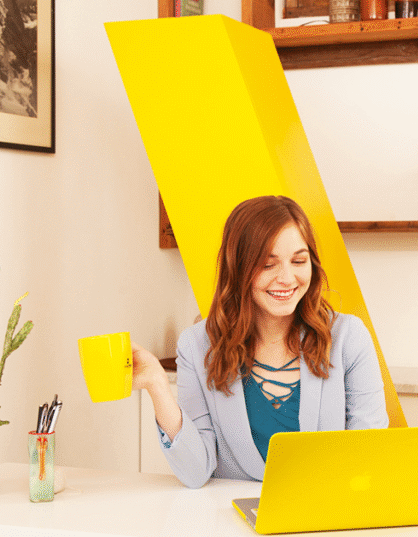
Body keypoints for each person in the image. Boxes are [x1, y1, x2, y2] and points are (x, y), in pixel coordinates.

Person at [132, 195, 389, 488]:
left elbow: (366, 456)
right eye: (268, 265)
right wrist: (157, 387)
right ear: (238, 268)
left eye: (299, 261)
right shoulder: (197, 345)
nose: (287, 277)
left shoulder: (348, 338)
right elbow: (195, 472)